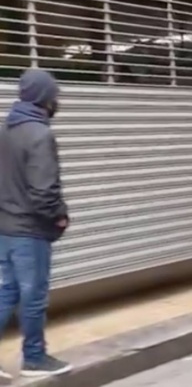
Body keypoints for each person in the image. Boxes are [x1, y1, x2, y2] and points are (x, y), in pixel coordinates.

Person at [0, 69, 71, 380]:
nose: (56, 101)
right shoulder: (40, 134)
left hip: (5, 227)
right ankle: (34, 358)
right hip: (30, 231)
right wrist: (59, 215)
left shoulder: (6, 131)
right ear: (45, 97)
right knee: (34, 296)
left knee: (8, 291)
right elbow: (43, 191)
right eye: (54, 95)